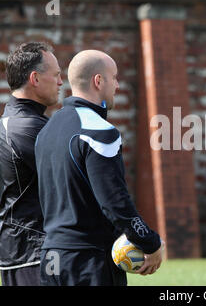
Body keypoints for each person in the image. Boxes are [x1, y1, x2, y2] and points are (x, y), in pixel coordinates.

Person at [35, 50, 163, 286]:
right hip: (88, 260)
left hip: (50, 257)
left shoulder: (46, 130)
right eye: (114, 77)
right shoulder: (100, 131)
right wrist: (149, 242)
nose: (117, 84)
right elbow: (114, 202)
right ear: (98, 81)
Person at [0, 42, 62, 285]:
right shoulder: (28, 128)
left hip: (22, 253)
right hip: (36, 254)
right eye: (56, 75)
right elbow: (73, 185)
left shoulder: (13, 123)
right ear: (35, 78)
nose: (60, 82)